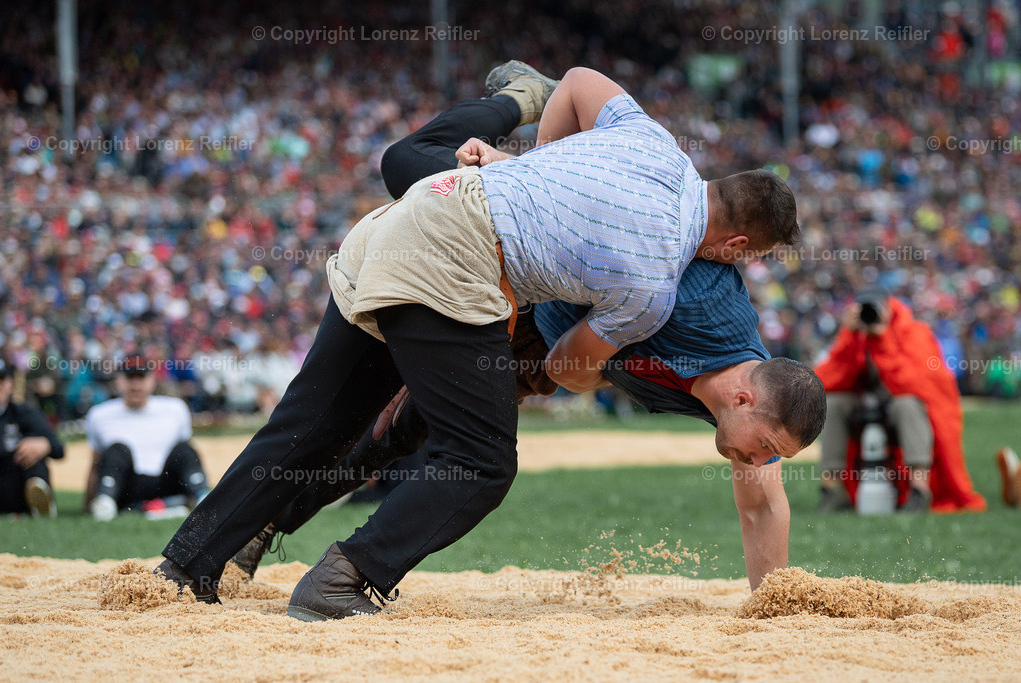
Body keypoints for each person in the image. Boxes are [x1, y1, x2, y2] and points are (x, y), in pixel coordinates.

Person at [155, 61, 806, 619]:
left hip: (414, 215)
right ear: (737, 246)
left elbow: (577, 80)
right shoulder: (665, 289)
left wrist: (540, 169)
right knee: (481, 459)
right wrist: (594, 352)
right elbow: (569, 368)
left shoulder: (656, 143)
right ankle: (342, 577)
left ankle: (186, 566)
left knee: (318, 420)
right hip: (465, 263)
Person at [814, 288, 986, 514]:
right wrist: (848, 340)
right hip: (864, 404)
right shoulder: (853, 335)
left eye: (875, 309)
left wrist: (882, 338)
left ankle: (919, 489)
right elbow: (826, 380)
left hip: (899, 406)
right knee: (834, 403)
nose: (870, 315)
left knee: (907, 405)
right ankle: (832, 489)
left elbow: (913, 384)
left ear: (889, 307)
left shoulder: (914, 332)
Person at [85, 355, 211, 521]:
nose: (136, 385)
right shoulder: (99, 415)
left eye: (141, 378)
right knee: (117, 449)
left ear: (151, 380)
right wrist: (88, 502)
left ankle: (205, 499)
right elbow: (96, 463)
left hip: (165, 481)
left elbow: (188, 457)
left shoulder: (176, 409)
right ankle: (105, 503)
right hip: (127, 487)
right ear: (119, 381)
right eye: (130, 378)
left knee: (184, 449)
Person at [0, 356, 64, 517]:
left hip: (16, 483)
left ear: (10, 384)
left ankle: (40, 501)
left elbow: (59, 450)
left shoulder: (24, 412)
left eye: (0, 380)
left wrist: (44, 444)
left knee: (33, 450)